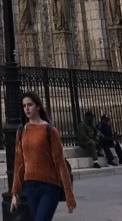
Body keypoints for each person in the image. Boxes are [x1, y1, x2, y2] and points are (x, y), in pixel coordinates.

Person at [11, 91, 76, 219]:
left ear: (38, 106)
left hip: (49, 186)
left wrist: (69, 195)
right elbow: (19, 163)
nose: (27, 108)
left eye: (30, 105)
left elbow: (60, 163)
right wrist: (14, 193)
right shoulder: (21, 131)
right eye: (24, 106)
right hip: (30, 187)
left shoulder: (50, 130)